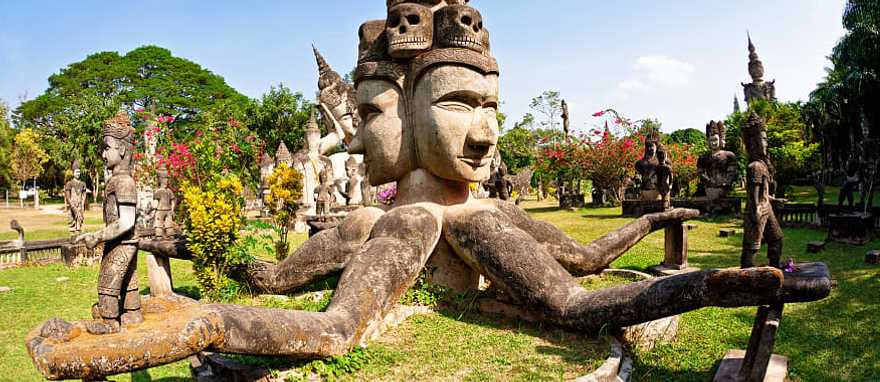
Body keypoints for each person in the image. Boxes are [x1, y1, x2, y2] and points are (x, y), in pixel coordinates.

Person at [74, 111, 142, 332]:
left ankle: (109, 321)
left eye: (106, 148)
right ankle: (132, 313)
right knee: (128, 284)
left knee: (108, 283)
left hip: (123, 242)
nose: (103, 155)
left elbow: (127, 221)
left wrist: (98, 236)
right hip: (122, 243)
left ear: (121, 149)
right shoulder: (117, 180)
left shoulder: (124, 182)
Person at [741, 113, 784, 269]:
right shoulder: (755, 167)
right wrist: (756, 212)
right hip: (757, 210)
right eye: (763, 139)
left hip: (767, 208)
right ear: (753, 142)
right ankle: (746, 274)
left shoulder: (762, 165)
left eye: (766, 139)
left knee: (777, 239)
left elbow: (763, 194)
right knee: (752, 247)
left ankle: (774, 268)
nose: (766, 143)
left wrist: (773, 200)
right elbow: (753, 195)